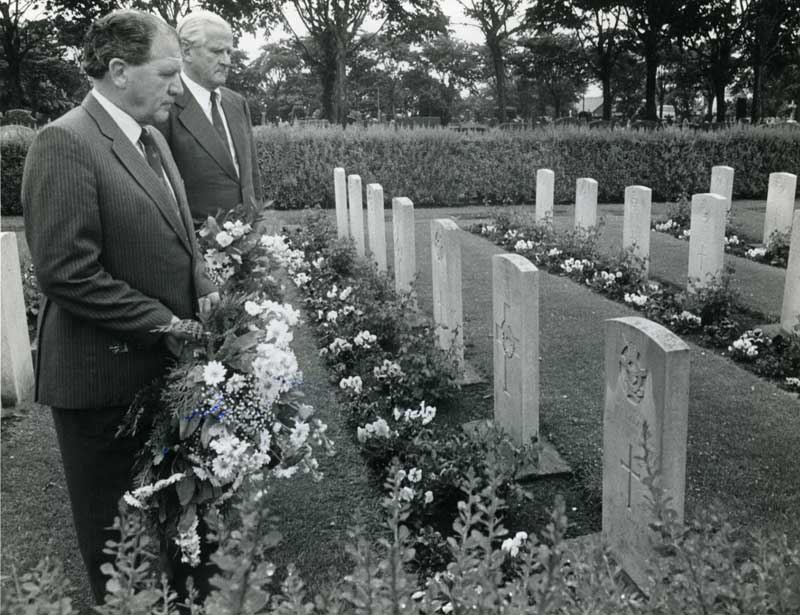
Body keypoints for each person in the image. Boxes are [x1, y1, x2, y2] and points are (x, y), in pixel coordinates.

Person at [21, 9, 219, 604]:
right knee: (121, 551)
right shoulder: (64, 142)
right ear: (118, 71)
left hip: (162, 377)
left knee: (182, 534)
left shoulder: (151, 137)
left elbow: (173, 234)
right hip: (101, 383)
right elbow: (67, 271)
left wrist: (207, 285)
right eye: (166, 73)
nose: (179, 87)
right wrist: (165, 325)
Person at [158, 10, 262, 223]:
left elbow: (251, 175)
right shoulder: (164, 105)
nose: (226, 61)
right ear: (186, 51)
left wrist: (256, 224)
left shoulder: (237, 103)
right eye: (216, 51)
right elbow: (160, 188)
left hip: (248, 241)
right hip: (196, 246)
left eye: (229, 52)